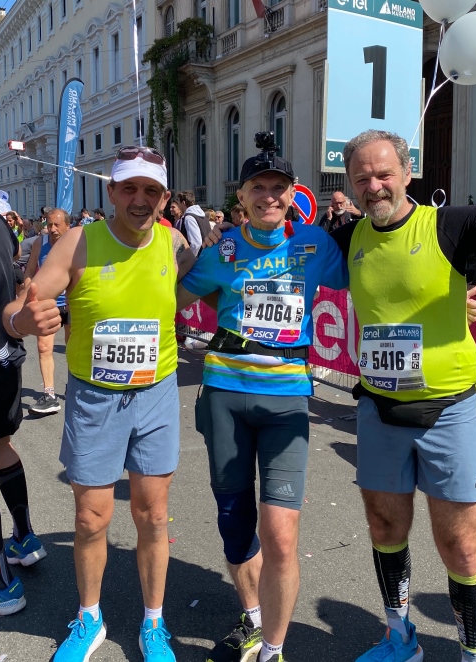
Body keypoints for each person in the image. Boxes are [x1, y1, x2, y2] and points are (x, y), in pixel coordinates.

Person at [4, 145, 195, 662]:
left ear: (164, 198)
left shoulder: (176, 244)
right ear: (112, 192)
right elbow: (19, 308)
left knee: (153, 516)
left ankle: (153, 623)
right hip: (95, 398)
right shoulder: (78, 242)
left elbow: (211, 286)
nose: (140, 199)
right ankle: (89, 618)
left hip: (155, 395)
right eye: (129, 188)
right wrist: (23, 322)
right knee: (91, 518)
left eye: (151, 190)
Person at [177, 141, 348, 662]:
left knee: (280, 533)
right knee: (233, 517)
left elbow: (372, 281)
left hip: (287, 399)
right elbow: (171, 298)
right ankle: (252, 617)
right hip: (225, 394)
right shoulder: (223, 249)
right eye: (259, 188)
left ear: (293, 195)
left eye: (279, 188)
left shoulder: (316, 244)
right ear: (242, 197)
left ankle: (274, 647)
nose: (269, 196)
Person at [330, 129, 476, 662]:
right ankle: (400, 639)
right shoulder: (348, 237)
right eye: (362, 178)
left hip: (449, 411)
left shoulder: (451, 225)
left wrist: (465, 292)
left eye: (384, 174)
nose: (374, 186)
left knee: (460, 546)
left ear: (407, 172)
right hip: (379, 411)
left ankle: (473, 654)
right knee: (384, 528)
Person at [0, 210, 50, 616]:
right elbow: (13, 266)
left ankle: (0, 583)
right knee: (0, 445)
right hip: (3, 355)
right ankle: (24, 537)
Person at [23, 209, 72, 415]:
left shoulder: (76, 243)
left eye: (57, 225)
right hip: (47, 304)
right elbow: (29, 271)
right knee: (44, 348)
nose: (52, 229)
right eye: (49, 224)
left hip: (71, 304)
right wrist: (29, 295)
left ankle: (74, 386)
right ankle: (50, 395)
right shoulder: (39, 243)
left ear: (67, 226)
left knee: (73, 349)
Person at [172, 191, 211, 256]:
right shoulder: (202, 216)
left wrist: (190, 258)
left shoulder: (189, 218)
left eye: (179, 203)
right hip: (206, 255)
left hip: (198, 258)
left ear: (183, 203)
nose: (178, 205)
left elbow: (196, 243)